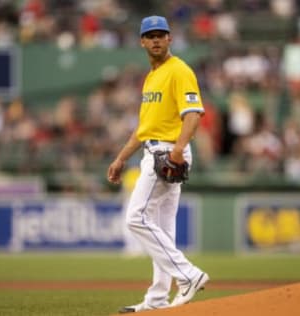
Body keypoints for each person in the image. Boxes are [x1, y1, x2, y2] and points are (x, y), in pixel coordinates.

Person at [107, 15, 209, 313]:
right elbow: (144, 128)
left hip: (167, 154)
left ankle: (188, 275)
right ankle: (157, 300)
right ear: (141, 41)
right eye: (150, 35)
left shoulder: (179, 70)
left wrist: (178, 149)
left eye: (161, 34)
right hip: (155, 149)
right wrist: (121, 158)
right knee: (163, 230)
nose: (155, 39)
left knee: (135, 218)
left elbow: (193, 113)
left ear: (170, 39)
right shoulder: (151, 77)